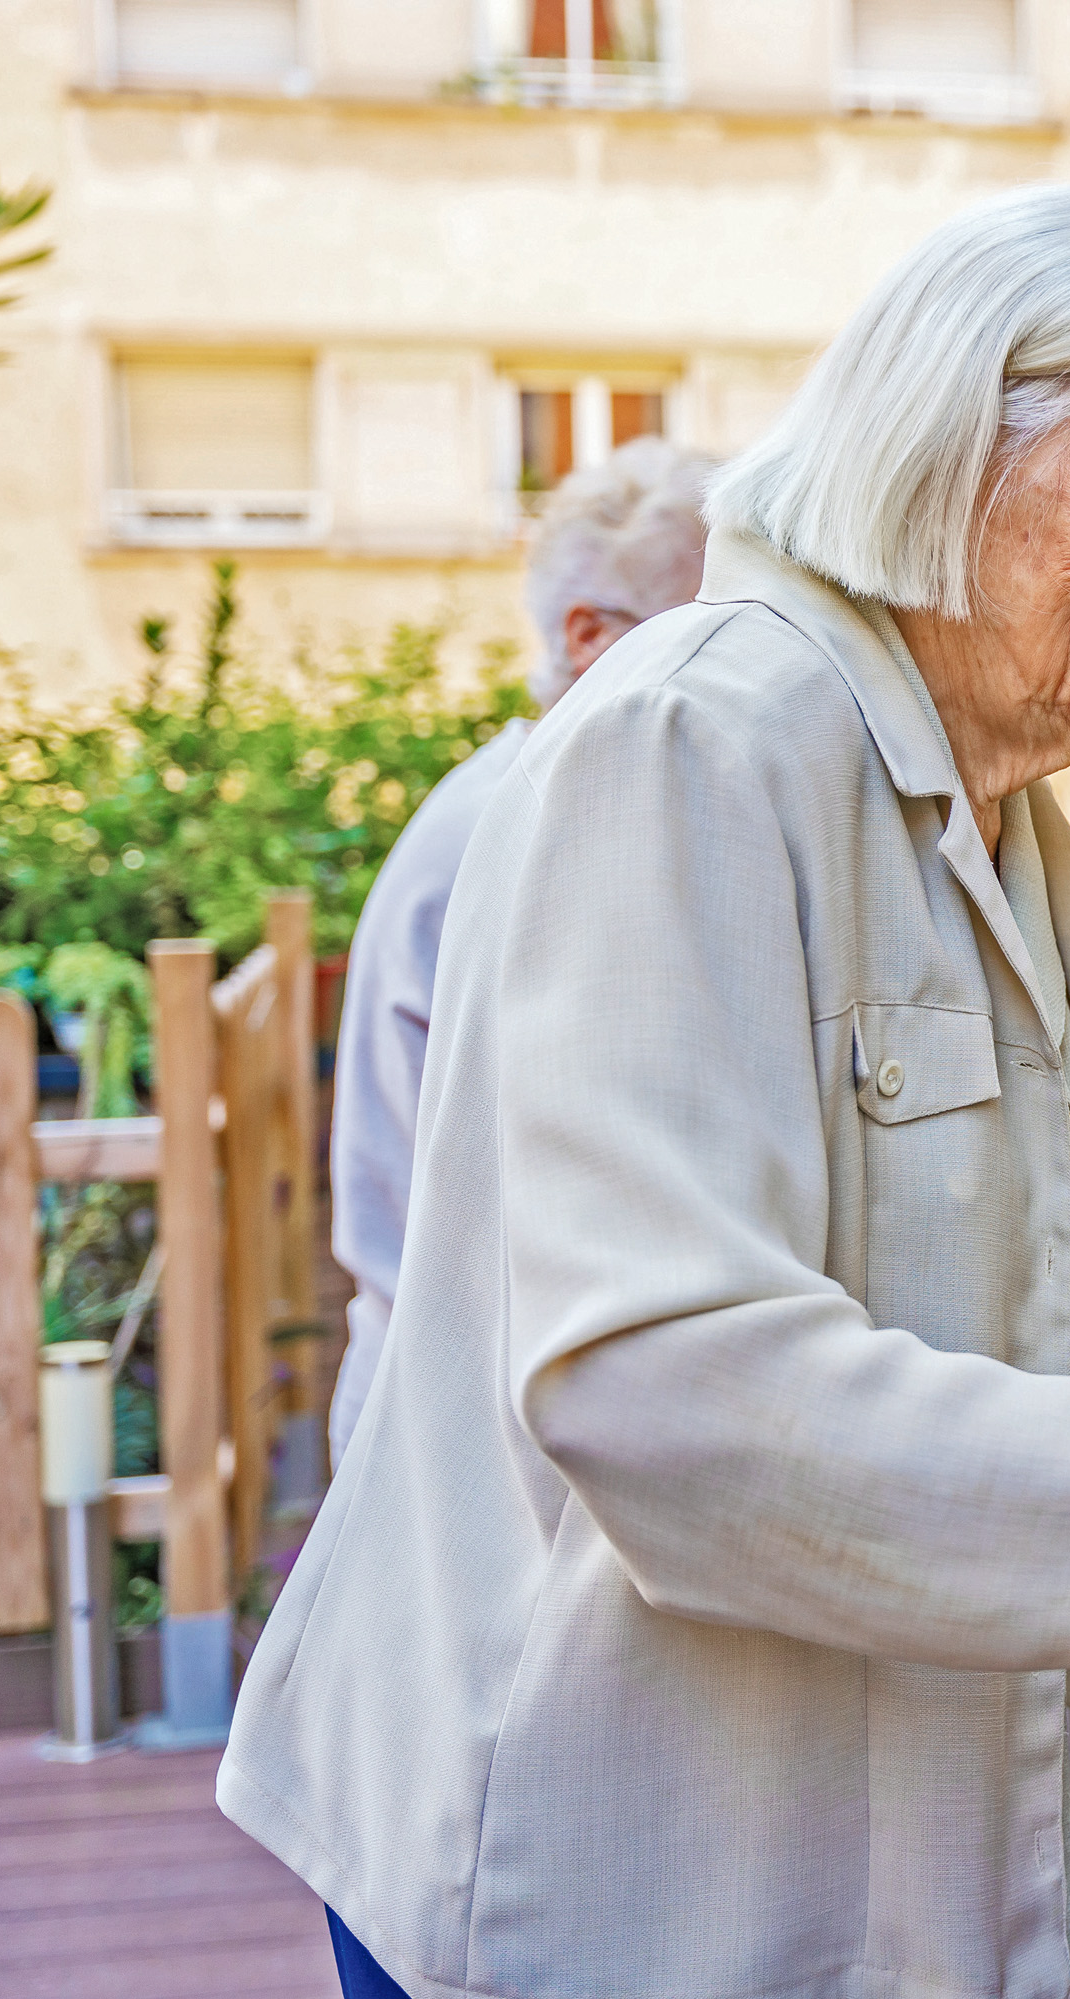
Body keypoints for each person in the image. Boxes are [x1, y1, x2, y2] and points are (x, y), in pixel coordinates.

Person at [218, 183, 1070, 1999]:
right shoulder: (696, 743)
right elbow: (658, 1379)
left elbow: (1032, 1243)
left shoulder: (992, 808)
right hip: (589, 1871)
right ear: (956, 451)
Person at [324, 437, 716, 1469]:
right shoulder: (539, 827)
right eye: (708, 633)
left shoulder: (531, 797)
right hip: (461, 1413)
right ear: (588, 637)